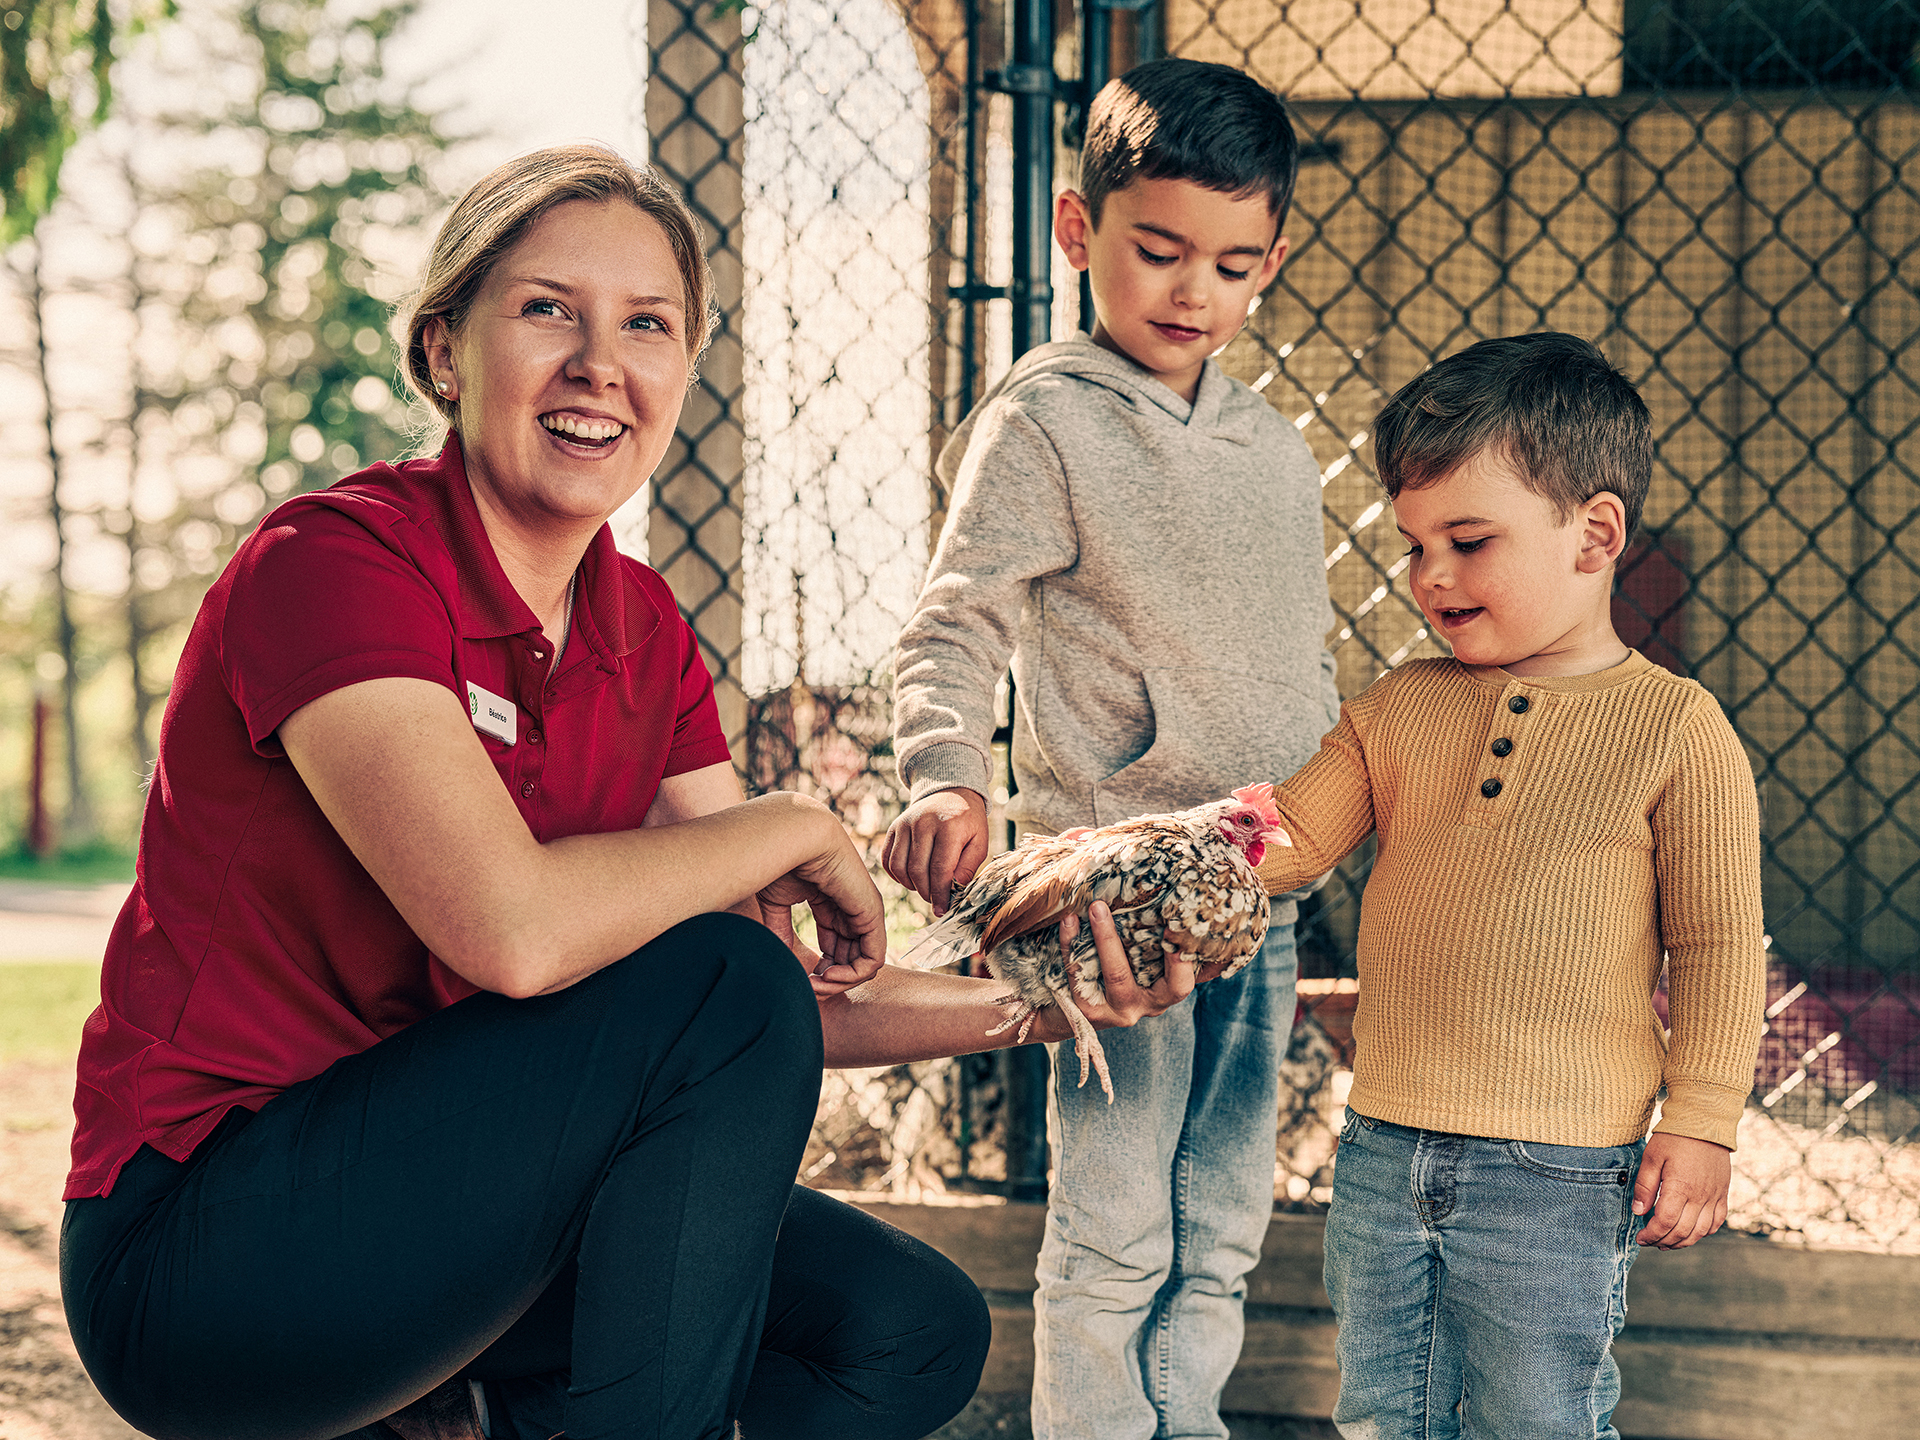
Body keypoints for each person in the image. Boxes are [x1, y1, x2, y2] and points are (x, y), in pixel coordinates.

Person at [58, 144, 1204, 1440]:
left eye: (647, 325)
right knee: (720, 969)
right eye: (549, 309)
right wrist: (792, 827)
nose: (602, 362)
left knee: (903, 1332)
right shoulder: (330, 566)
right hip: (206, 1263)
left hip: (461, 1227)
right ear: (443, 350)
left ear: (678, 372)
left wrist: (1046, 1006)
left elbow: (777, 1013)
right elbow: (515, 930)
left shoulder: (635, 624)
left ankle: (495, 1417)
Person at [883, 59, 1342, 1440]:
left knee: (1225, 1219)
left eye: (1235, 262)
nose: (1194, 290)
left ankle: (1184, 1424)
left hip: (1262, 896)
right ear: (1081, 231)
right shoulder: (1045, 419)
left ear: (1271, 259)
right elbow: (952, 624)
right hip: (1118, 914)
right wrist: (943, 770)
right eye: (1158, 250)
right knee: (1118, 1223)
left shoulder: (1273, 448)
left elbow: (1306, 664)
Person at [1251, 332, 1768, 1439]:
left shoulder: (1677, 730)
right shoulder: (1400, 706)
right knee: (1386, 1414)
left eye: (1468, 541)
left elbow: (1721, 943)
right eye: (1416, 544)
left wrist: (1707, 1118)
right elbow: (1286, 840)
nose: (1431, 576)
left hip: (1561, 1166)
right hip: (1385, 1144)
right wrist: (1155, 852)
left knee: (1539, 1418)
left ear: (1595, 534)